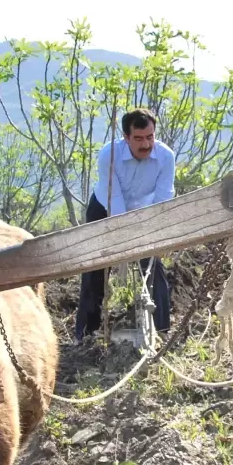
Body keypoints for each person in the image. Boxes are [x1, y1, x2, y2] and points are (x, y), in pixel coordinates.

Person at [75, 107, 175, 342]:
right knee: (95, 266)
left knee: (153, 265)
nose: (145, 144)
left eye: (150, 137)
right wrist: (123, 245)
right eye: (138, 139)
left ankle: (161, 331)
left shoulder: (166, 157)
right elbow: (115, 201)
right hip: (105, 207)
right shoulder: (108, 154)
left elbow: (163, 200)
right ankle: (85, 335)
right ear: (126, 137)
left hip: (144, 211)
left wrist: (153, 237)